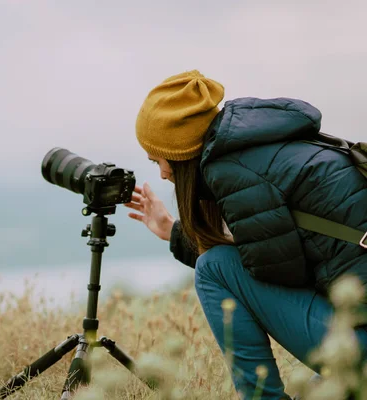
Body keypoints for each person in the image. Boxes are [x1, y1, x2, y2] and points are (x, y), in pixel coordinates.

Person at [124, 70, 367, 399]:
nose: (164, 173)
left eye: (158, 160)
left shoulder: (232, 172)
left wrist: (184, 237)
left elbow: (276, 275)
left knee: (213, 268)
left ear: (180, 153)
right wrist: (173, 232)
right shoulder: (268, 146)